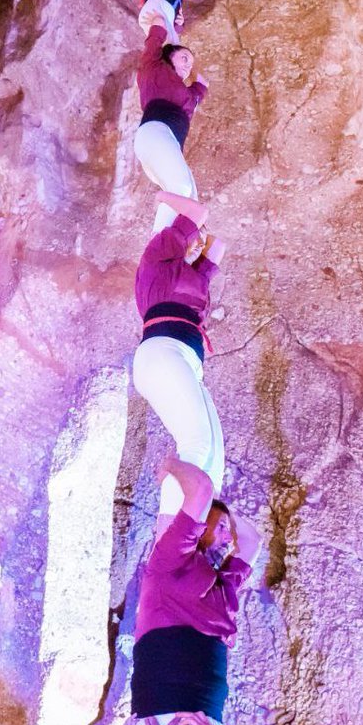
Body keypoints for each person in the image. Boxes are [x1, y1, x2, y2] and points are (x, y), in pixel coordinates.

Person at [131, 456, 261, 725]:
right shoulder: (173, 558)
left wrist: (221, 507)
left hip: (207, 716)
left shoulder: (224, 584)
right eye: (222, 529)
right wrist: (171, 465)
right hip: (165, 708)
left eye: (228, 530)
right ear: (200, 529)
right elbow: (201, 488)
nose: (229, 539)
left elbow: (253, 540)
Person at [133, 194, 225, 524]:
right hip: (163, 354)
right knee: (196, 444)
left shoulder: (193, 275)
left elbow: (218, 247)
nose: (196, 237)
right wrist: (164, 195)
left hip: (183, 361)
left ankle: (191, 531)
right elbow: (198, 213)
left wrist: (201, 236)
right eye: (189, 232)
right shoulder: (157, 259)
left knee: (214, 461)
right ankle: (167, 539)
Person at [135, 18, 208, 233]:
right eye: (184, 58)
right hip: (155, 134)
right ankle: (158, 259)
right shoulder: (155, 68)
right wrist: (160, 23)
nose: (188, 66)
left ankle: (179, 255)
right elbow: (154, 42)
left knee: (190, 200)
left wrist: (201, 86)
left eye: (191, 63)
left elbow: (195, 95)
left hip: (165, 142)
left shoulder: (185, 95)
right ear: (169, 57)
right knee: (181, 189)